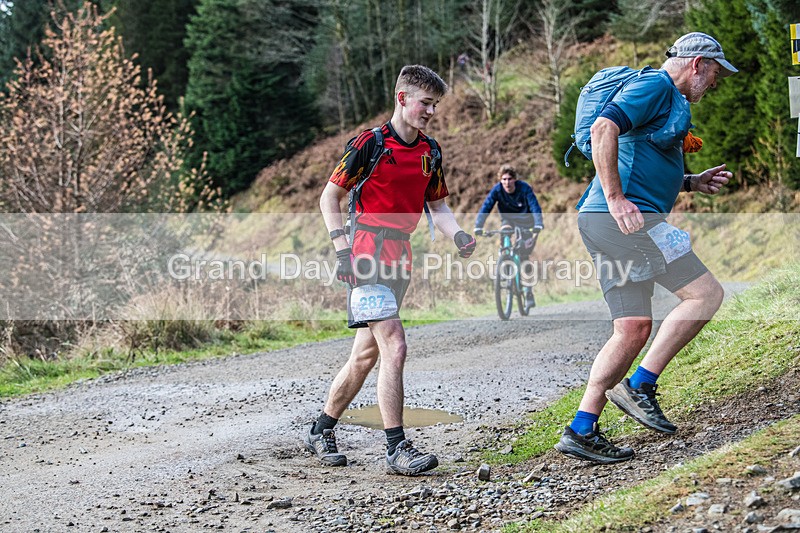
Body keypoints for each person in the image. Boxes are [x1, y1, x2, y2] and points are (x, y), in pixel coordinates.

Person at [554, 32, 736, 463]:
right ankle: (640, 385)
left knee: (632, 328)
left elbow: (641, 153)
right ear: (696, 63)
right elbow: (604, 128)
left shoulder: (669, 100)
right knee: (706, 294)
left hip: (606, 222)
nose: (715, 83)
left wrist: (691, 182)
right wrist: (616, 198)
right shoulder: (657, 86)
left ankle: (581, 429)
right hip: (624, 222)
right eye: (714, 73)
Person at [309, 65, 476, 475]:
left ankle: (320, 428)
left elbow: (437, 207)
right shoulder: (369, 143)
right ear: (402, 98)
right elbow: (330, 197)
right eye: (426, 103)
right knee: (394, 344)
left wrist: (458, 235)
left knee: (366, 355)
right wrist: (341, 251)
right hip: (365, 252)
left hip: (400, 258)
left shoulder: (429, 152)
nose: (431, 112)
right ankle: (396, 447)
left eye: (435, 105)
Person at [474, 164, 544, 308]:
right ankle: (505, 261)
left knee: (524, 257)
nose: (507, 182)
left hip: (525, 221)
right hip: (508, 221)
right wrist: (478, 226)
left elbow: (535, 206)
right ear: (500, 180)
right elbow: (486, 206)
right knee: (504, 232)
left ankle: (528, 291)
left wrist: (538, 224)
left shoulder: (524, 188)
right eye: (504, 179)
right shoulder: (497, 190)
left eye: (510, 179)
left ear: (515, 179)